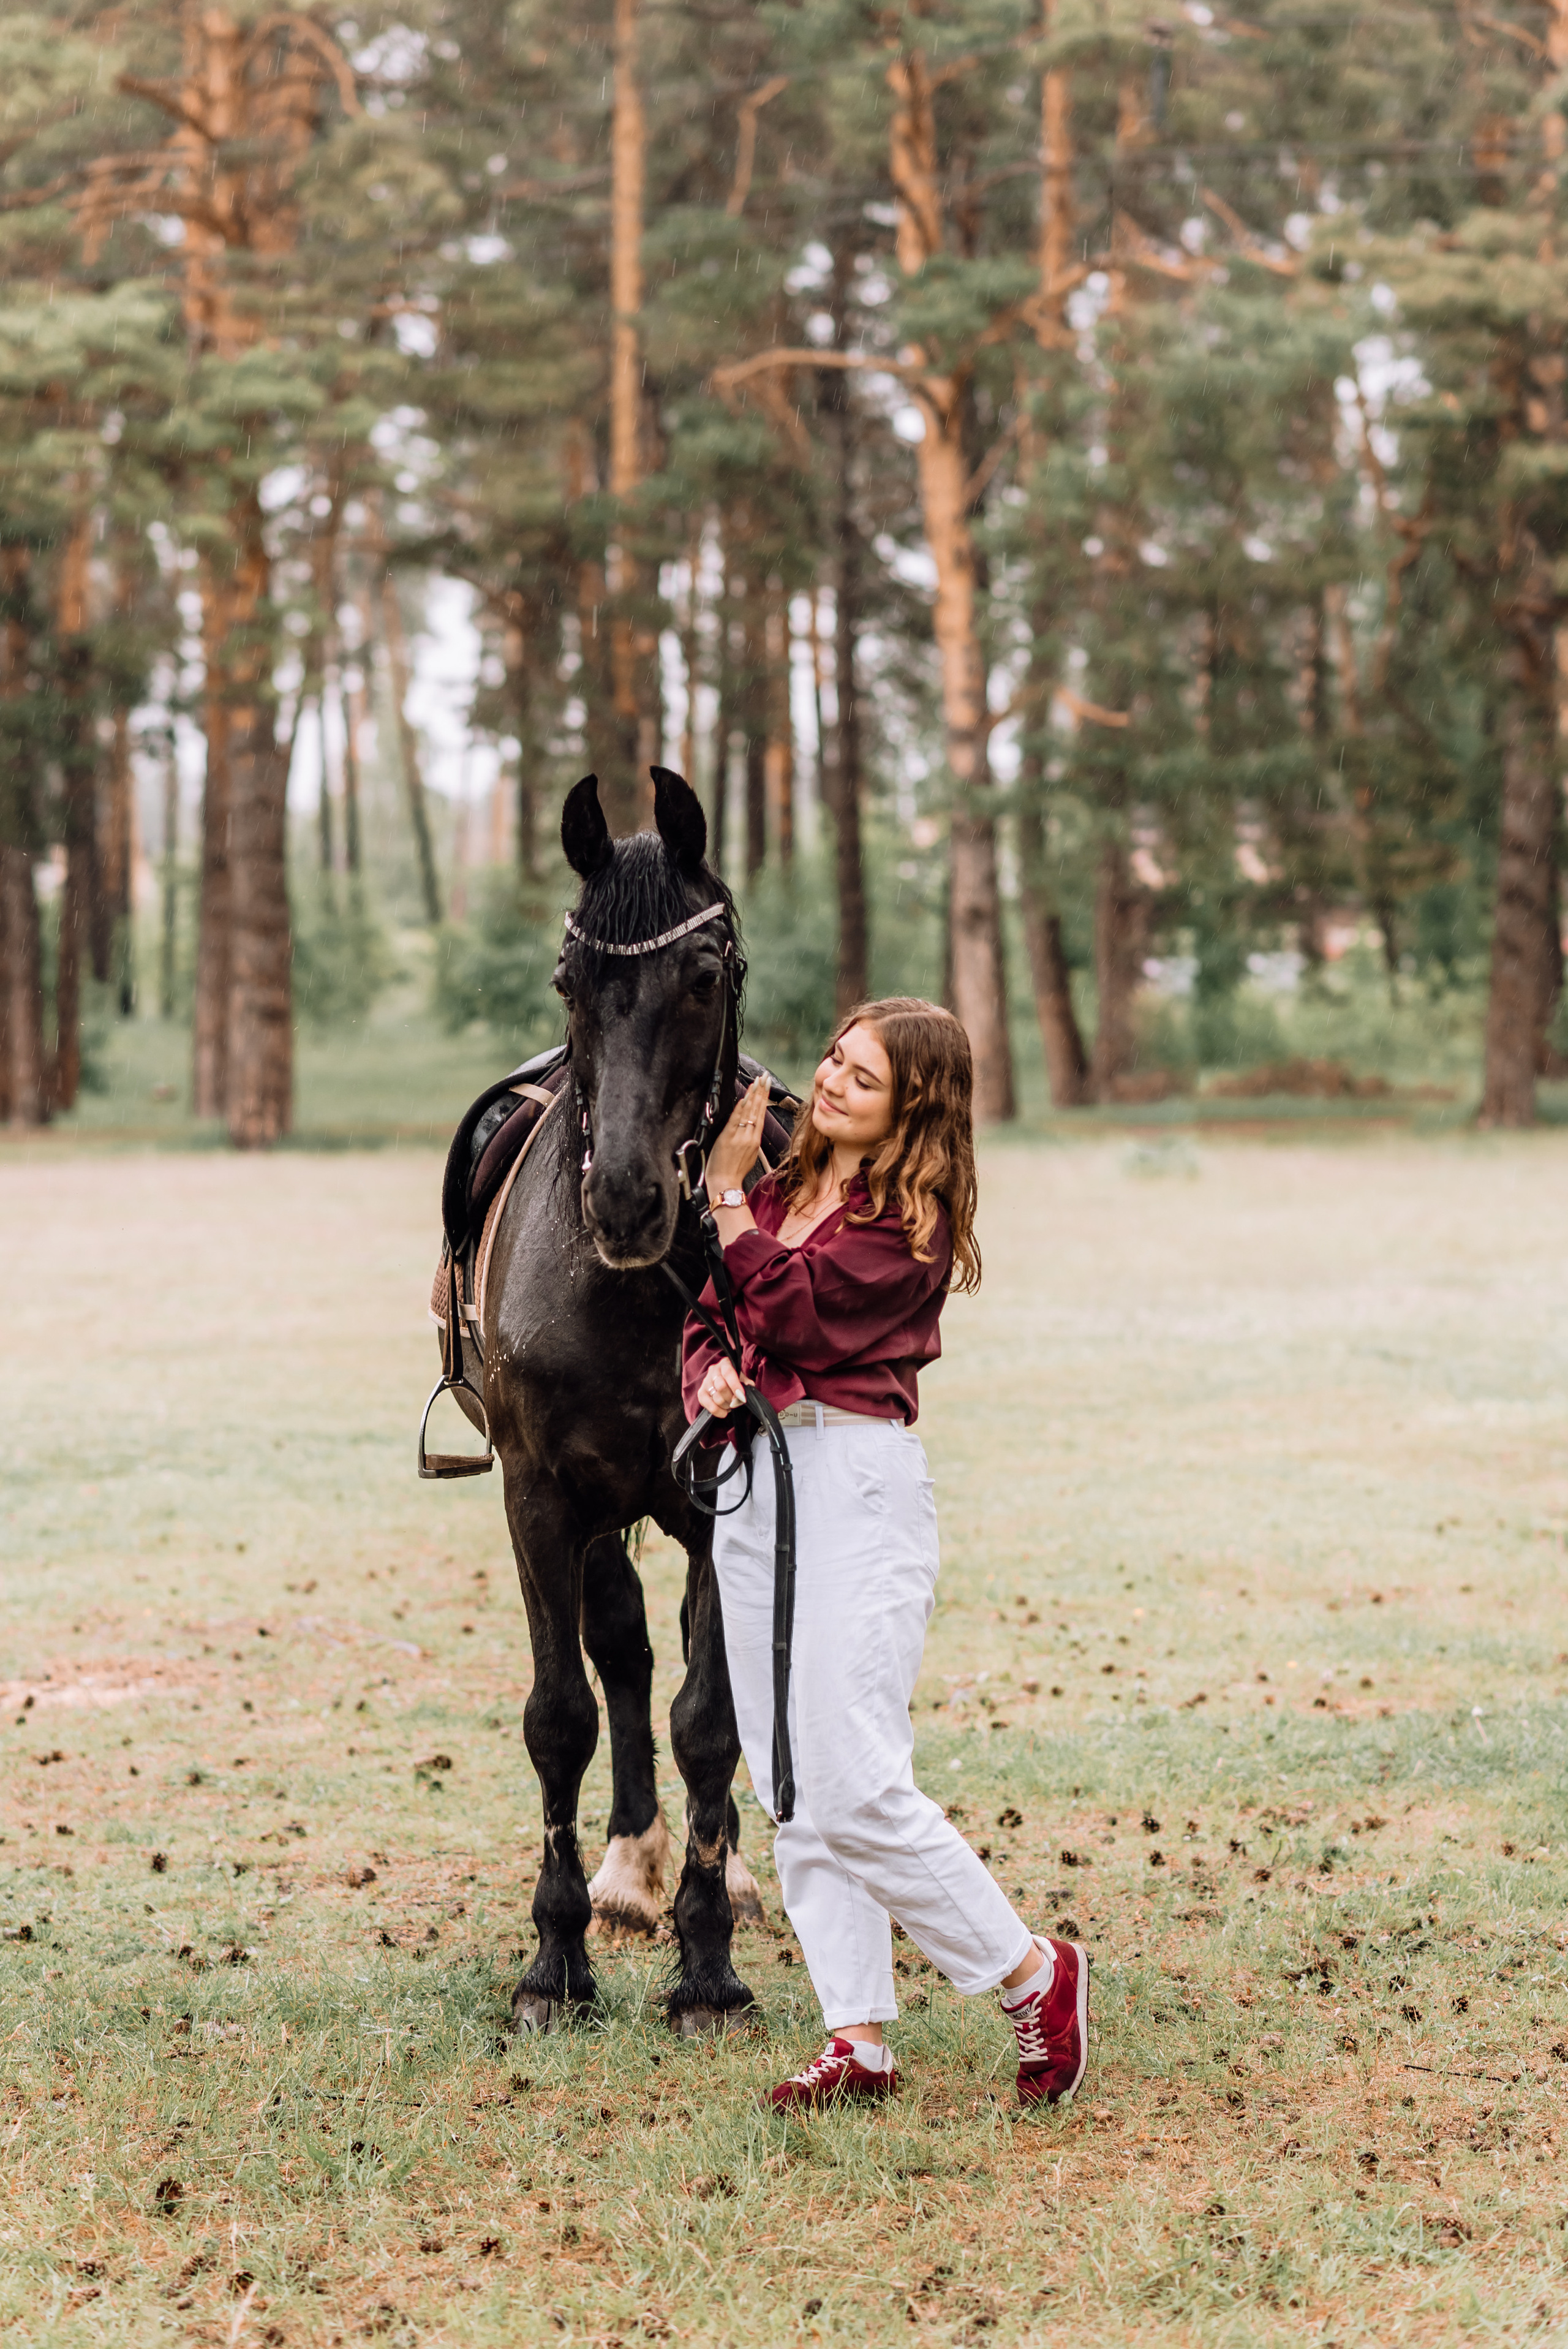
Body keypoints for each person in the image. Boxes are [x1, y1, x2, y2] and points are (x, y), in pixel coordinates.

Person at [683, 997, 1088, 2112]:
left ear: (915, 1102)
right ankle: (854, 2037)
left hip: (857, 1483)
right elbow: (715, 1314)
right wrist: (708, 1376)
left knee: (856, 1776)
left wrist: (723, 1199)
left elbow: (794, 1310)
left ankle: (1032, 1974)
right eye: (833, 1059)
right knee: (792, 1781)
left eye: (865, 1075)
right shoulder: (780, 1195)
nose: (832, 1081)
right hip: (756, 1481)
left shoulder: (909, 1218)